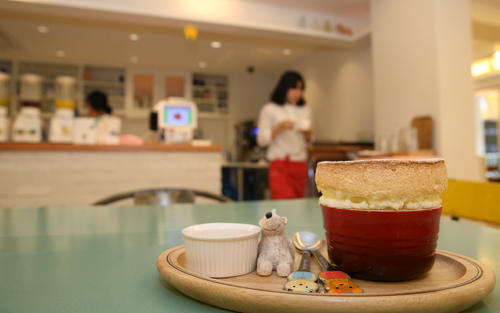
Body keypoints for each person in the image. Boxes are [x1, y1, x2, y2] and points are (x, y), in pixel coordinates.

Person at [257, 71, 314, 200]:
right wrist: (279, 127)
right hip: (281, 164)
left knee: (299, 205)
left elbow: (308, 141)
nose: (297, 93)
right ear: (284, 87)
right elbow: (261, 140)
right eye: (294, 88)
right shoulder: (270, 109)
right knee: (285, 205)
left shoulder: (304, 110)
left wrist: (308, 134)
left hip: (300, 164)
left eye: (300, 89)